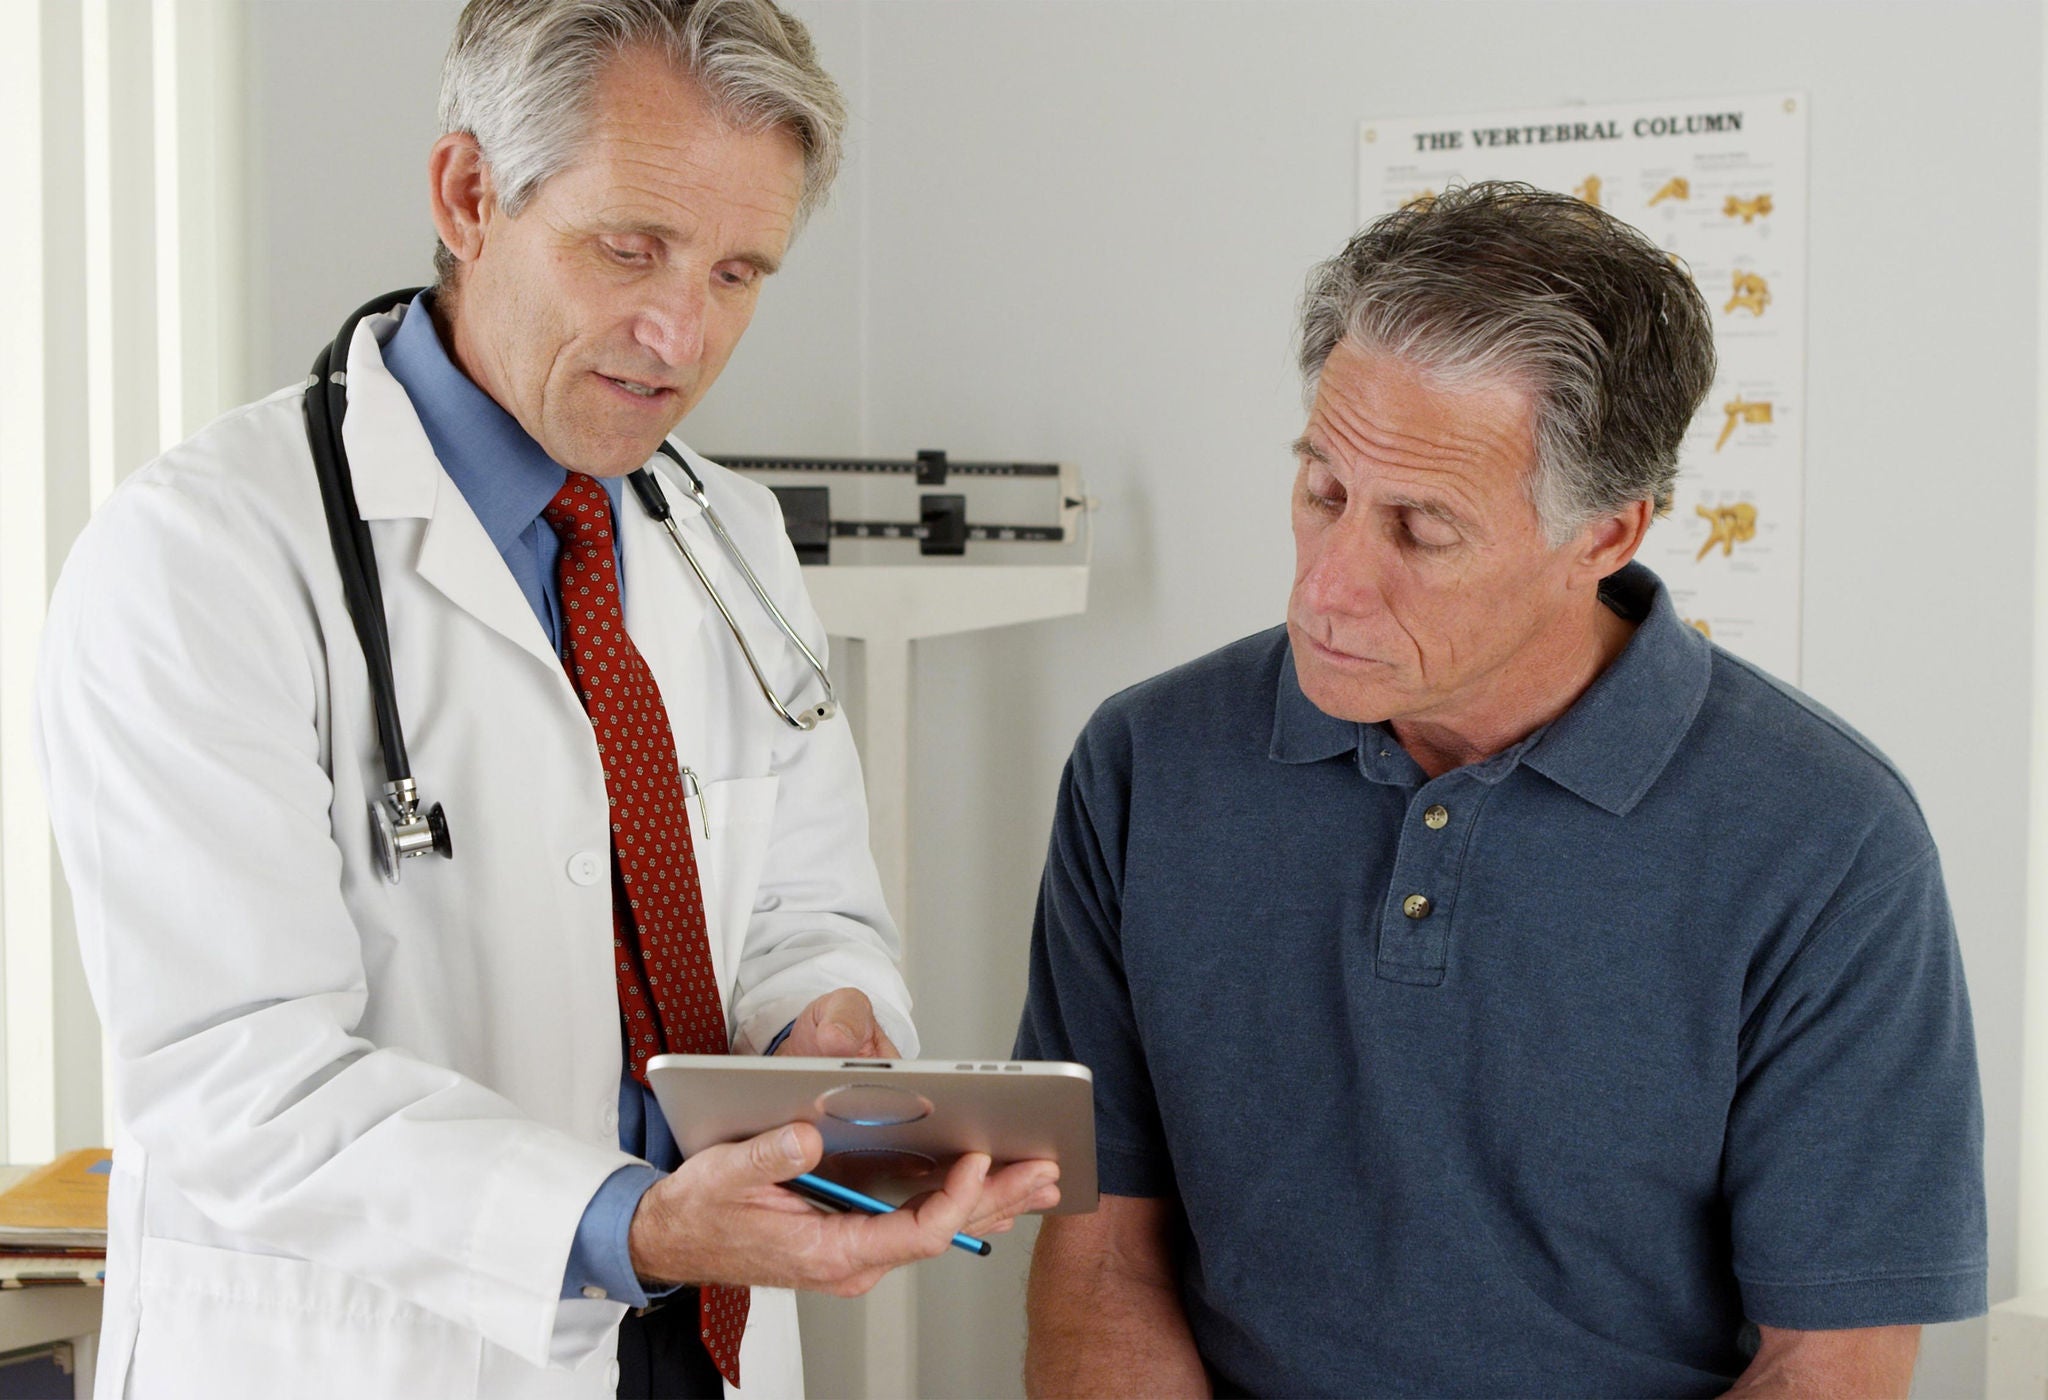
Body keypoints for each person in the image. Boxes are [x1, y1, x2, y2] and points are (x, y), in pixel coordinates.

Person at [34, 3, 1054, 1397]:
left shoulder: (728, 540)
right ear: (469, 195)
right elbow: (235, 1071)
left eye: (740, 270)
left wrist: (823, 1027)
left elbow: (804, 902)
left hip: (707, 1344)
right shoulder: (207, 555)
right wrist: (623, 1221)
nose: (680, 330)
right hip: (389, 1353)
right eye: (630, 248)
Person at [1014, 182, 1984, 1398]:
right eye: (1322, 492)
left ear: (1604, 533)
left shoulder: (1828, 841)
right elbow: (1103, 1254)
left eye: (1419, 530)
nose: (1325, 588)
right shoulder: (1147, 762)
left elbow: (1826, 1365)